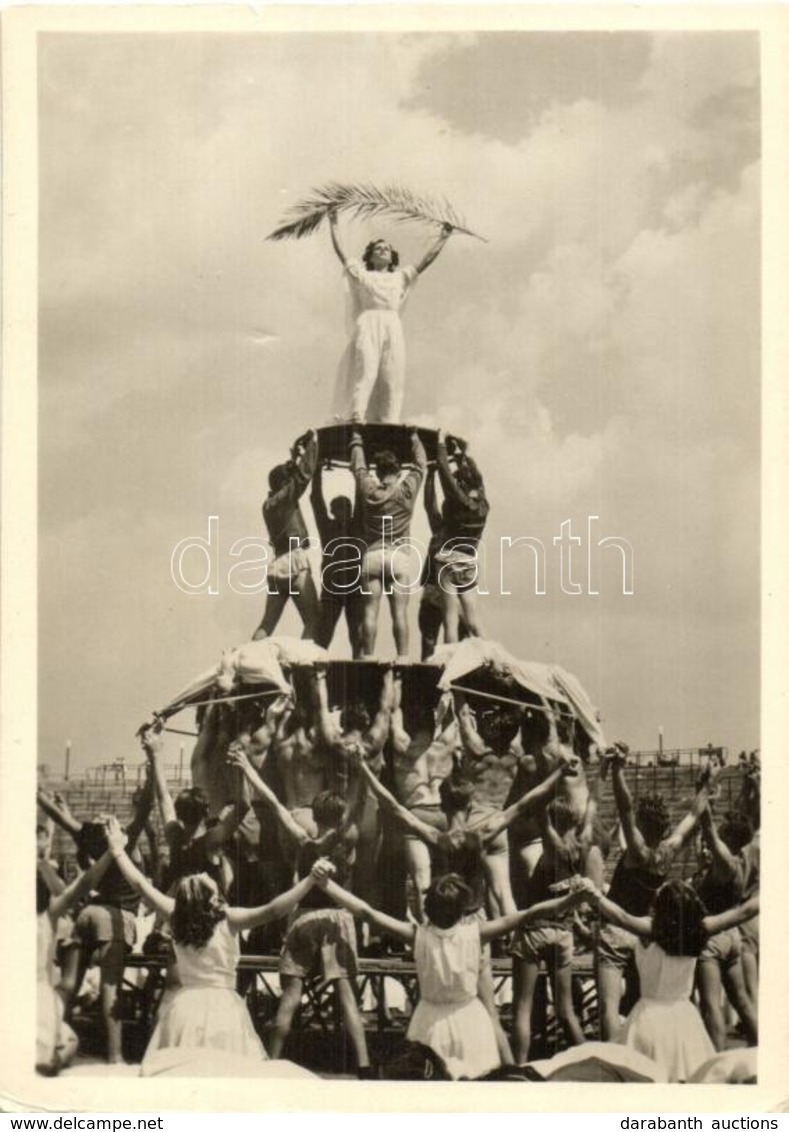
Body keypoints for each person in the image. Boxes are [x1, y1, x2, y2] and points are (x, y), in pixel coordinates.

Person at [352, 749, 574, 1065]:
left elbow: (393, 806)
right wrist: (558, 773)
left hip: (440, 924)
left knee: (434, 1001)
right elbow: (525, 803)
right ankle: (510, 1070)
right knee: (486, 1008)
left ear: (442, 806)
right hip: (472, 924)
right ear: (470, 806)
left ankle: (432, 1063)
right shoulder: (479, 834)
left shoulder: (436, 836)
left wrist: (363, 768)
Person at [314, 868, 589, 1080]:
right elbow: (528, 914)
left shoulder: (417, 935)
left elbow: (368, 913)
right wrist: (573, 899)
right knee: (476, 1083)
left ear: (429, 907)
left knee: (429, 1085)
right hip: (470, 1018)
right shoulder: (476, 934)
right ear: (462, 910)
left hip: (428, 1020)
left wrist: (327, 884)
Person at [102, 817, 315, 1070]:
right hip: (224, 1006)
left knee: (181, 1068)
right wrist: (310, 880)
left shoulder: (177, 914)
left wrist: (117, 851)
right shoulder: (229, 919)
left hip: (185, 1006)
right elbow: (273, 910)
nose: (207, 875)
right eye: (209, 882)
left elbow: (139, 884)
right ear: (211, 897)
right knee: (226, 1070)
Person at [225, 742, 373, 1077]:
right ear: (338, 817)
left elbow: (276, 804)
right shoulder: (344, 840)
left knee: (290, 997)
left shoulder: (305, 842)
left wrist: (247, 768)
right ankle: (364, 1065)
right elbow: (358, 801)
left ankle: (273, 1061)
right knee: (347, 995)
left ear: (315, 817)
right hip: (337, 918)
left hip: (303, 917)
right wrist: (361, 768)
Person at [582, 877, 760, 1083]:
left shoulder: (651, 929)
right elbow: (744, 912)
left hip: (648, 1016)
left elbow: (621, 917)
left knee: (642, 1079)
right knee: (686, 1078)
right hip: (685, 1018)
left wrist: (595, 897)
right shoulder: (700, 928)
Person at [595, 745, 717, 1041]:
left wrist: (618, 770)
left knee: (609, 1009)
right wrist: (707, 784)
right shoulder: (667, 851)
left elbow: (623, 808)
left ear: (641, 823)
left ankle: (613, 1060)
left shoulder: (636, 850)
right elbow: (693, 814)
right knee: (640, 1004)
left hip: (616, 926)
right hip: (644, 934)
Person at [37, 771, 155, 1063]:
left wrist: (37, 794)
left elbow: (61, 818)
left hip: (88, 914)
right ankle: (115, 1056)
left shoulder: (88, 836)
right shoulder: (124, 840)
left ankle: (47, 1037)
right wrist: (152, 769)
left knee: (68, 983)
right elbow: (144, 810)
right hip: (115, 917)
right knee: (109, 986)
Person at [328, 209, 453, 424]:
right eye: (378, 248)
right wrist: (334, 224)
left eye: (386, 249)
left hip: (392, 324)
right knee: (366, 370)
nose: (383, 251)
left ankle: (389, 420)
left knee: (391, 375)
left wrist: (443, 237)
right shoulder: (363, 275)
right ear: (370, 256)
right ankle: (358, 414)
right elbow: (342, 254)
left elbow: (426, 261)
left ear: (392, 257)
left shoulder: (400, 277)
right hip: (368, 323)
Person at [510, 796, 596, 1064]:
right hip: (563, 933)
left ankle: (520, 1065)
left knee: (522, 1008)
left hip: (536, 928)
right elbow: (592, 807)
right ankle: (589, 1062)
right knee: (565, 1009)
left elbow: (537, 811)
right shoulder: (583, 845)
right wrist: (603, 774)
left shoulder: (552, 846)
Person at [36, 836, 119, 1074]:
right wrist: (111, 853)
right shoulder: (47, 917)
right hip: (40, 1000)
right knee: (67, 1041)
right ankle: (51, 1060)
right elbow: (81, 886)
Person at [350, 428, 427, 659]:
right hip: (398, 556)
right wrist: (414, 438)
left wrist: (357, 439)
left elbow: (358, 467)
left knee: (370, 611)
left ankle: (368, 656)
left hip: (372, 555)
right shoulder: (406, 491)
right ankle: (402, 658)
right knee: (400, 613)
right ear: (398, 470)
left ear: (378, 470)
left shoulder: (369, 491)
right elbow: (421, 463)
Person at [389, 671, 457, 922]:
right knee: (443, 877)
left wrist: (396, 679)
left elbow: (392, 711)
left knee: (421, 879)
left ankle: (426, 928)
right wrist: (449, 687)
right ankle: (445, 923)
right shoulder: (443, 744)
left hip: (416, 813)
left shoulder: (403, 745)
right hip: (441, 814)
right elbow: (453, 719)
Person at [693, 806, 758, 1049]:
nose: (719, 830)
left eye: (724, 830)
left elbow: (708, 828)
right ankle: (760, 1051)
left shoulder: (726, 862)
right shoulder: (742, 862)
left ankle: (716, 1061)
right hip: (732, 936)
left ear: (729, 837)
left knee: (710, 1005)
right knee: (741, 1001)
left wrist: (703, 793)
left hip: (712, 936)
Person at [253, 429, 320, 642]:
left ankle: (247, 662)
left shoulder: (268, 504)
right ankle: (304, 663)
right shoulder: (286, 497)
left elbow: (291, 478)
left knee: (267, 623)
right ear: (284, 483)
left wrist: (295, 456)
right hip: (294, 560)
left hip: (277, 563)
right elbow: (302, 476)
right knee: (313, 620)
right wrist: (314, 444)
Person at [434, 430, 489, 642]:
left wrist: (440, 441)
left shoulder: (458, 500)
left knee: (450, 619)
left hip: (448, 560)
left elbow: (443, 470)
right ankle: (492, 658)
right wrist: (461, 454)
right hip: (469, 563)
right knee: (474, 621)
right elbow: (476, 478)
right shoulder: (483, 504)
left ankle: (450, 665)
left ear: (461, 485)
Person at [310, 458, 362, 652]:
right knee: (323, 634)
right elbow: (316, 500)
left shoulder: (356, 524)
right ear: (332, 512)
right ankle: (315, 670)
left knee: (357, 636)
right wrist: (317, 473)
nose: (343, 511)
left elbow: (361, 498)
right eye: (339, 508)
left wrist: (358, 474)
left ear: (350, 511)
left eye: (346, 508)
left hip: (355, 587)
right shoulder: (327, 527)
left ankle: (360, 671)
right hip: (332, 589)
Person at [418, 463, 469, 659]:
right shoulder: (441, 529)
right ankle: (427, 678)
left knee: (460, 640)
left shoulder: (457, 531)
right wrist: (430, 475)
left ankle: (457, 677)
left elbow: (431, 506)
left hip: (451, 590)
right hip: (435, 589)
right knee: (429, 640)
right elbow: (430, 505)